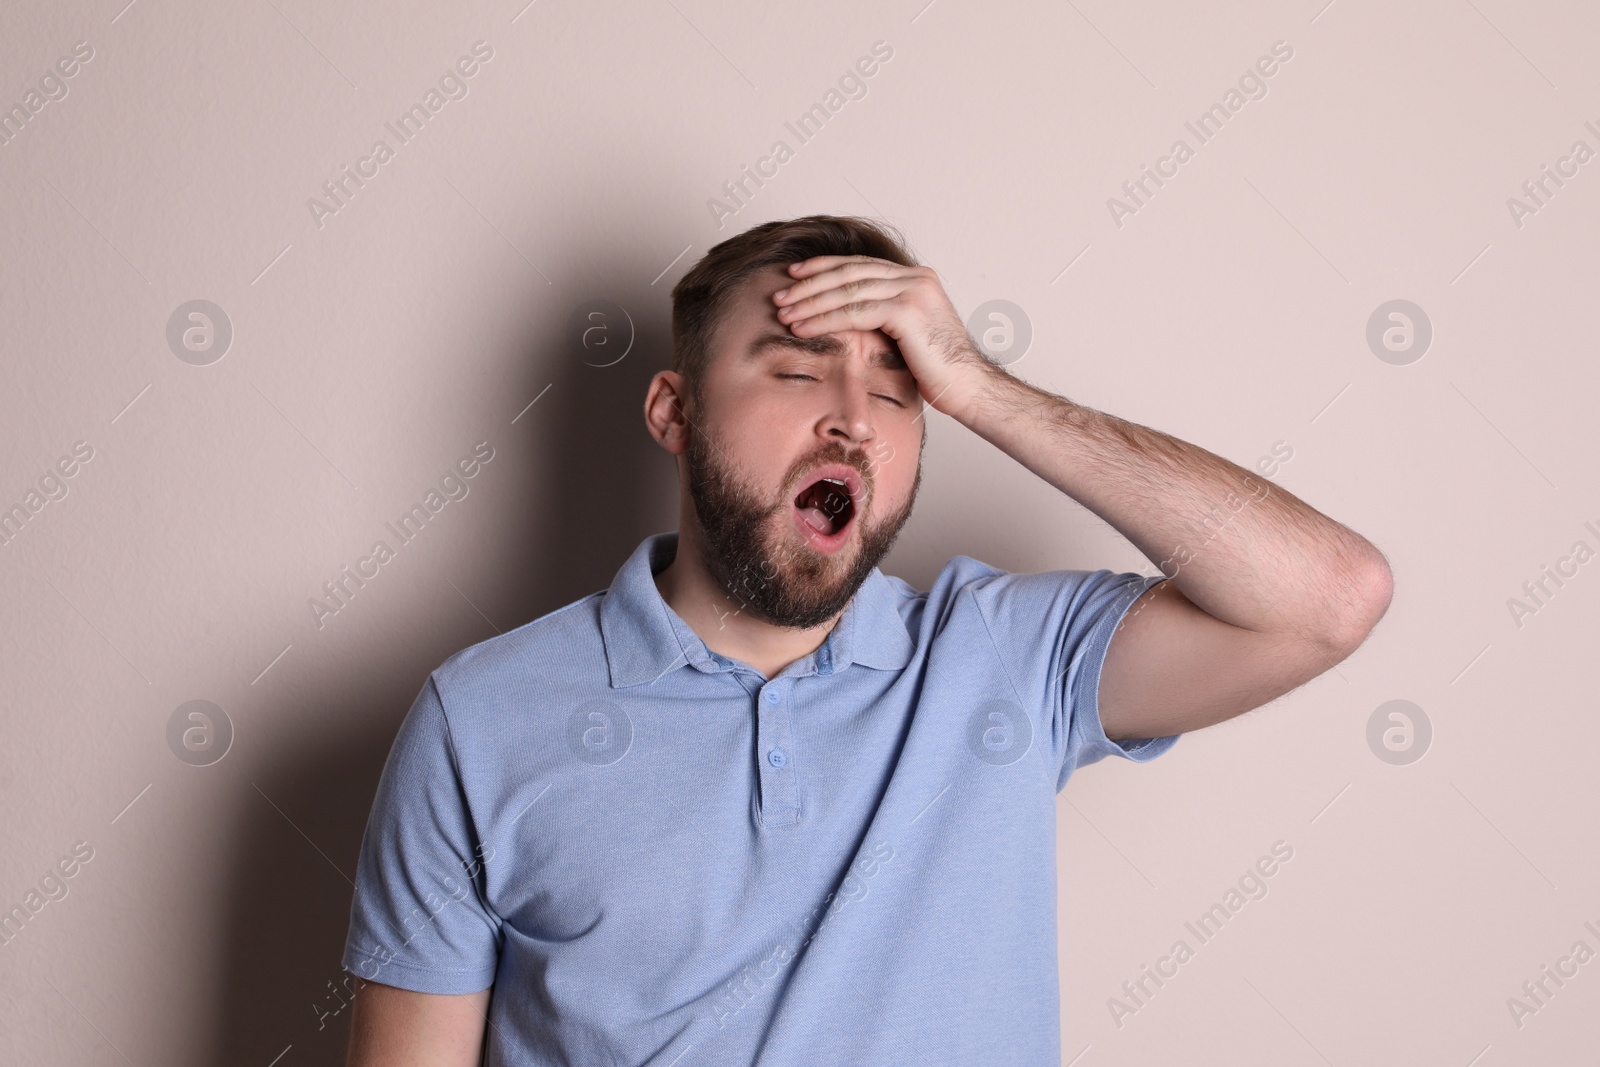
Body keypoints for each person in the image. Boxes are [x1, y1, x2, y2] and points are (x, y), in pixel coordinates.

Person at [341, 215, 1392, 1066]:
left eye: (897, 389)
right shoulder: (478, 716)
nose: (852, 417)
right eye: (798, 371)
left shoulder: (1004, 659)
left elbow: (1327, 595)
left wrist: (980, 383)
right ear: (674, 410)